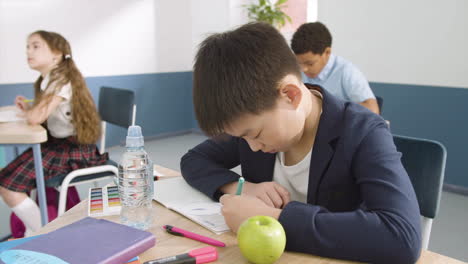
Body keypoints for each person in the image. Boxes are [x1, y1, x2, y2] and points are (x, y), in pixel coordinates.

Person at [180, 22, 421, 263]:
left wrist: (276, 217)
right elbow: (193, 160)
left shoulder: (363, 132)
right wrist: (240, 187)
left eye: (254, 134)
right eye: (242, 137)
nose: (251, 146)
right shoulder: (253, 126)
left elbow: (401, 237)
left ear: (290, 95)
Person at [0, 30, 107, 236]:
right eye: (27, 47)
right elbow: (46, 110)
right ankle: (40, 229)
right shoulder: (49, 79)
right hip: (60, 144)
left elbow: (36, 118)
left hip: (75, 149)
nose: (29, 51)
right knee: (8, 180)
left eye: (36, 46)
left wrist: (31, 112)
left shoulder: (61, 80)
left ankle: (46, 233)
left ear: (56, 54)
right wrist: (30, 106)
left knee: (8, 186)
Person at [291, 22, 380, 114]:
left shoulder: (347, 71)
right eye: (299, 63)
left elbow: (372, 110)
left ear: (327, 52)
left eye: (310, 63)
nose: (304, 69)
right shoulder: (295, 71)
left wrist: (334, 109)